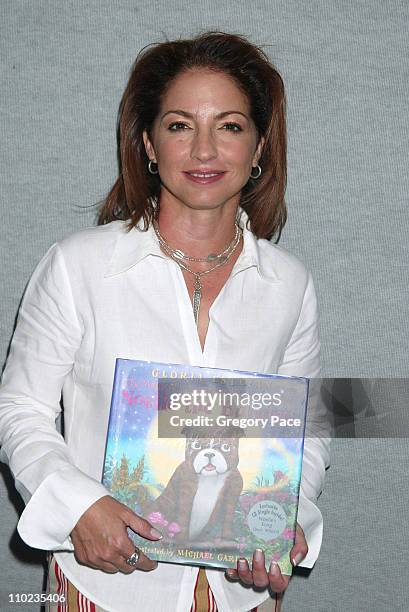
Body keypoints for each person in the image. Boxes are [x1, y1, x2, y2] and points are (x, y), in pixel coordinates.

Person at [0, 31, 330, 612]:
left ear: (259, 148)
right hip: (104, 587)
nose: (205, 151)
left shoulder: (291, 284)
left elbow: (307, 427)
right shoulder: (79, 266)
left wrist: (283, 519)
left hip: (239, 595)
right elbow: (19, 408)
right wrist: (77, 507)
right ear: (149, 144)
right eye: (180, 125)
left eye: (229, 126)